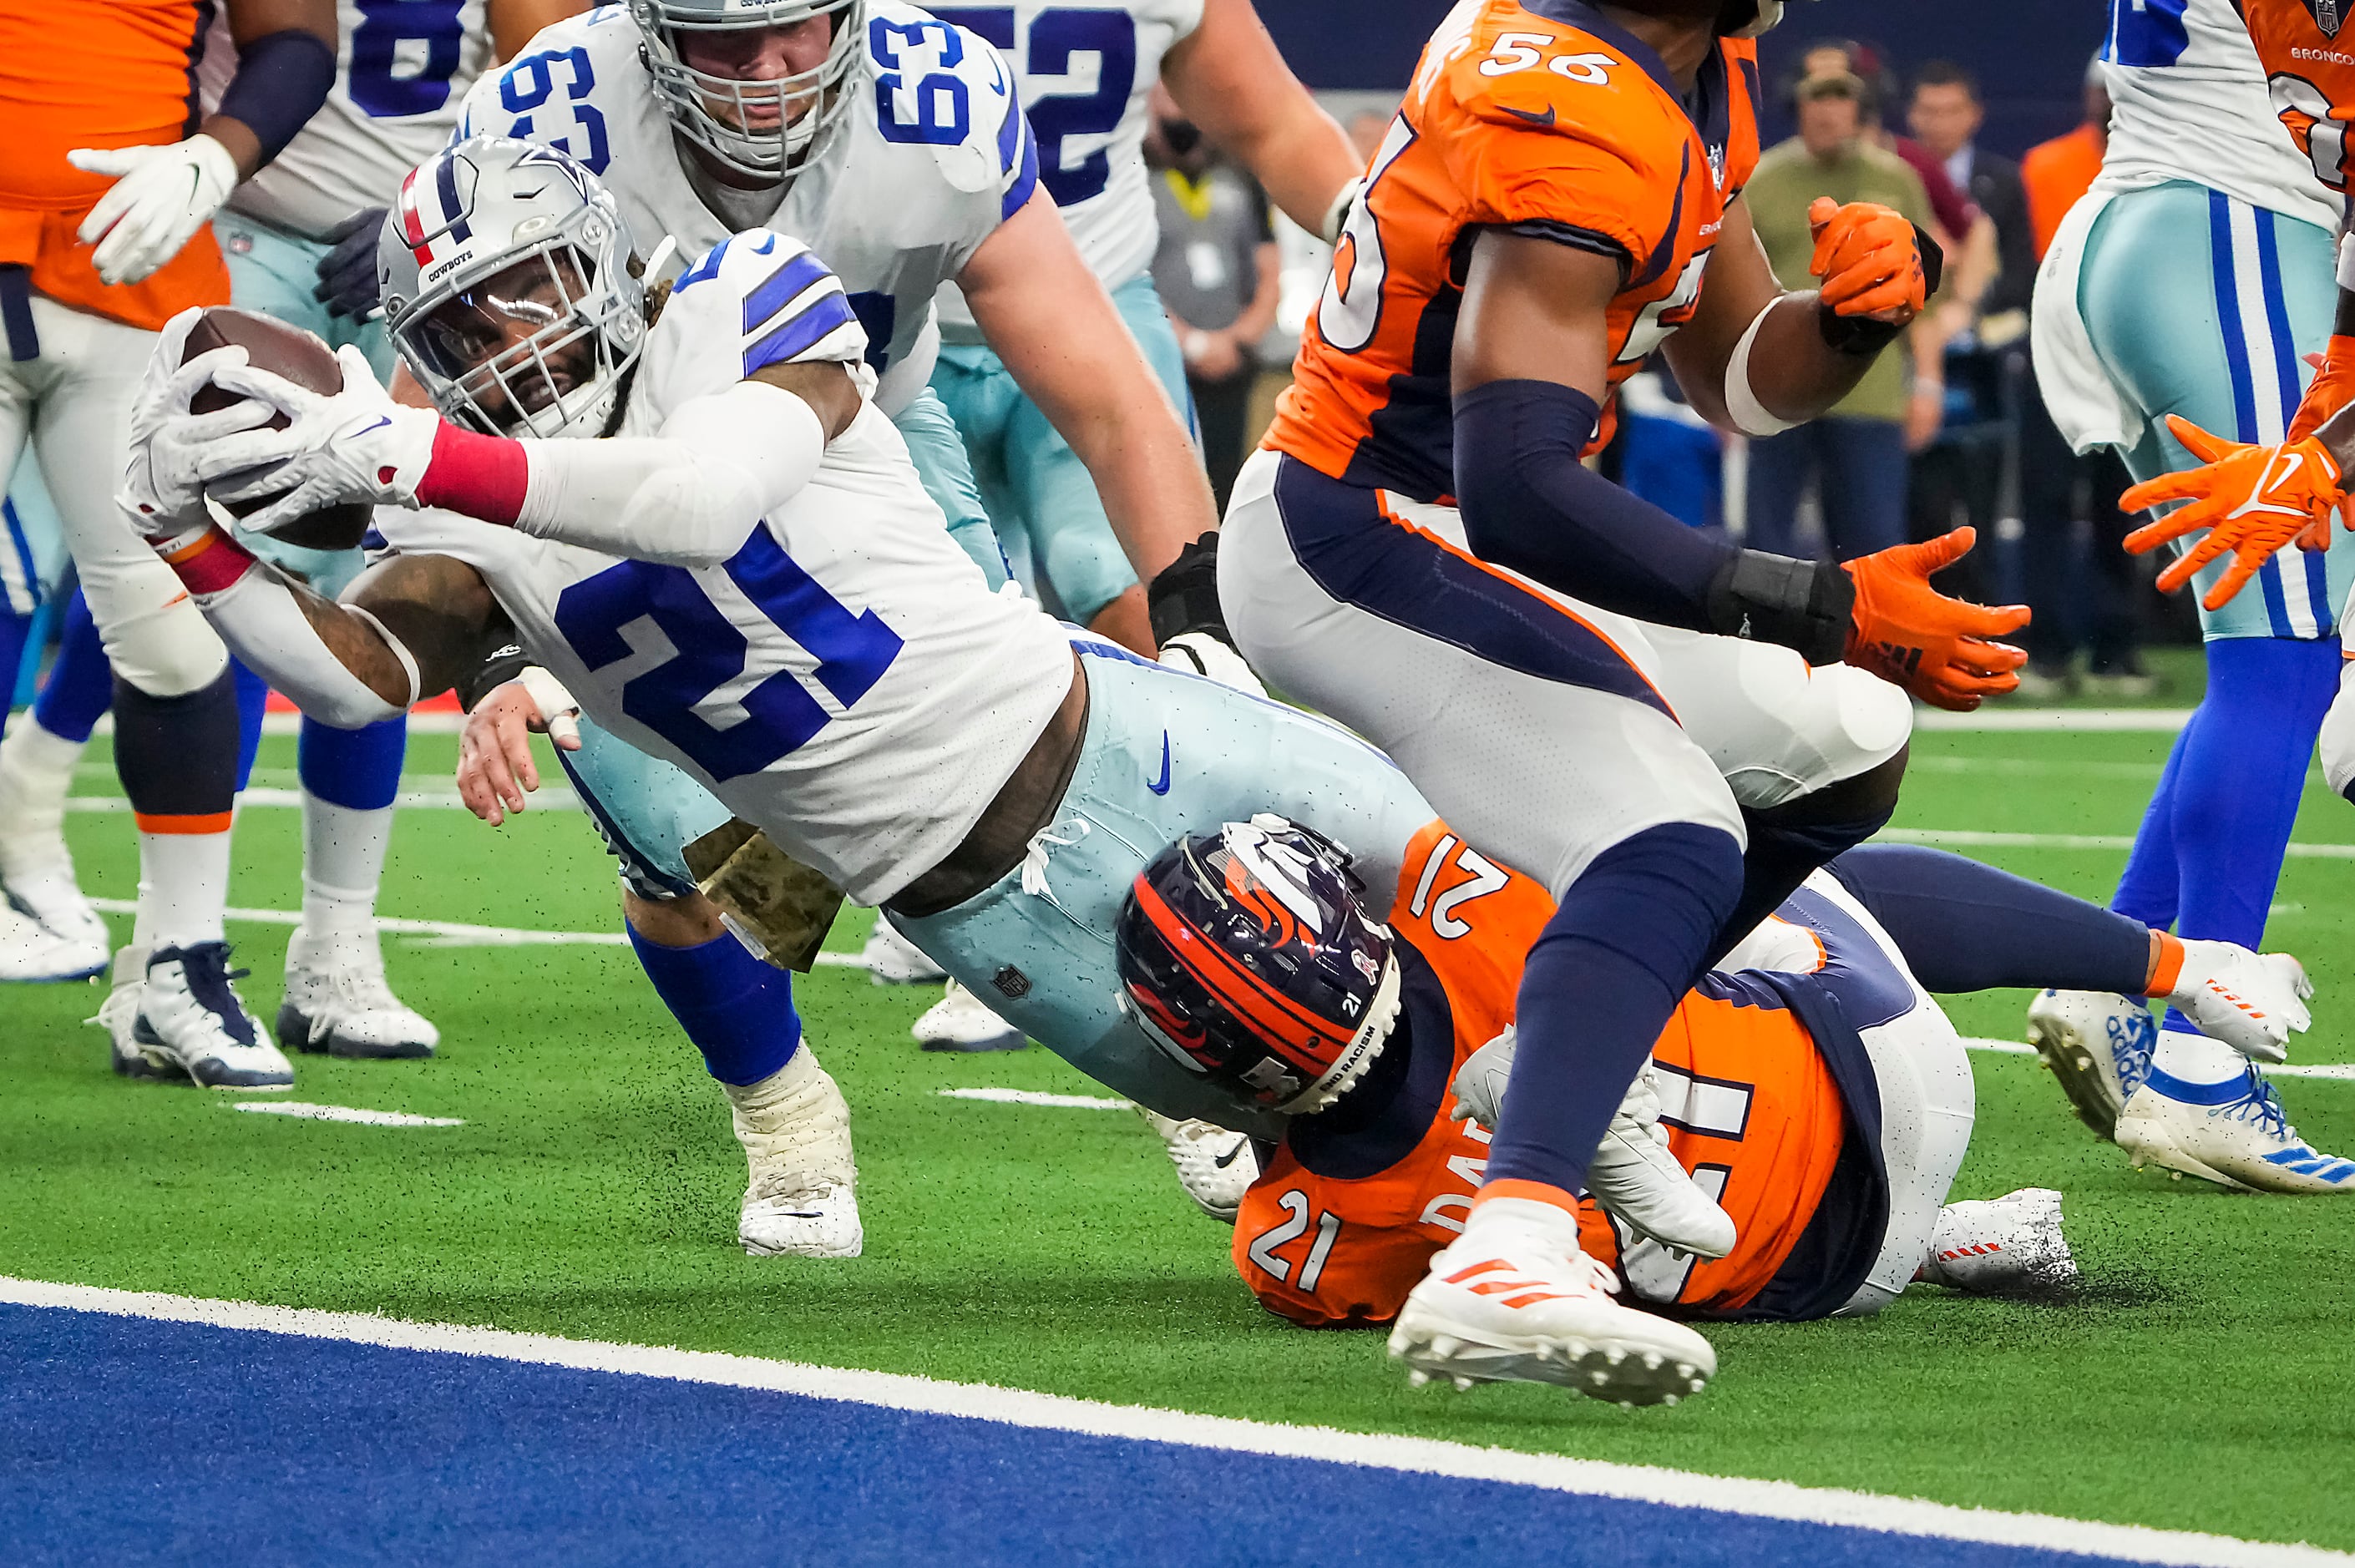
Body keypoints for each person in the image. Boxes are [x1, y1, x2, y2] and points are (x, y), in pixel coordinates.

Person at [1221, 0, 2028, 1394]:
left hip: (1449, 515)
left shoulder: (1685, 57)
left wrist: (1845, 321)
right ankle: (1513, 1240)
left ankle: (1552, 1059)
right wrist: (1824, 601)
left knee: (1845, 735)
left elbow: (1736, 379)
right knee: (1670, 830)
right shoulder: (1578, 100)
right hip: (1354, 531)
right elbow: (1520, 486)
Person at [1109, 822, 2312, 1363]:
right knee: (1742, 863)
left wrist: (1248, 1147)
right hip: (1887, 1060)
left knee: (1630, 1224)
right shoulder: (1463, 897)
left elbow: (1320, 1202)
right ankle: (2176, 968)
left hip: (1829, 1283)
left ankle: (1946, 1239)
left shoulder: (1298, 1249)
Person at [0, 0, 586, 1059]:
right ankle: (107, 872)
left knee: (393, 571)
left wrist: (432, 209)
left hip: (428, 257)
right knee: (184, 556)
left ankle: (335, 951)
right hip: (227, 234)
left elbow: (552, 73)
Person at [2028, 0, 2355, 1192]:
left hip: (2148, 228)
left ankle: (2121, 976)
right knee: (2281, 657)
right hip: (2241, 230)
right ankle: (2202, 1064)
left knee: (2270, 647)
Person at [0, 0, 338, 1087]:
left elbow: (296, 37)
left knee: (178, 641)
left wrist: (210, 155)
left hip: (132, 268)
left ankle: (176, 968)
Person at [1741, 65, 1941, 560]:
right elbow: (1731, 289)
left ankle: (1867, 640)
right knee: (1766, 544)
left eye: (1841, 100)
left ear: (1859, 112)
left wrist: (1928, 385)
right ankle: (1766, 640)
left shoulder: (1896, 178)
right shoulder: (1761, 179)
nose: (1829, 112)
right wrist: (1727, 389)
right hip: (1777, 385)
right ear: (1799, 108)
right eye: (1817, 99)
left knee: (1873, 544)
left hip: (1870, 390)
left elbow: (1927, 293)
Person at [2014, 65, 2147, 698]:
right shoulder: (2046, 164)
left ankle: (2115, 650)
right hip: (2055, 348)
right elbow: (2030, 262)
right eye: (2102, 89)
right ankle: (2045, 651)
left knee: (2121, 505)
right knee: (2044, 501)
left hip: (2125, 356)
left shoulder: (2158, 163)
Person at [1146, 91, 1279, 508]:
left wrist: (1238, 338)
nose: (1180, 108)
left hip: (1232, 364)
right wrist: (1189, 342)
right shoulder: (1134, 176)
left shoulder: (1239, 174)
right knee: (1164, 485)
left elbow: (1270, 269)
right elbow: (1127, 273)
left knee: (1226, 483)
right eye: (1167, 97)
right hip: (1162, 360)